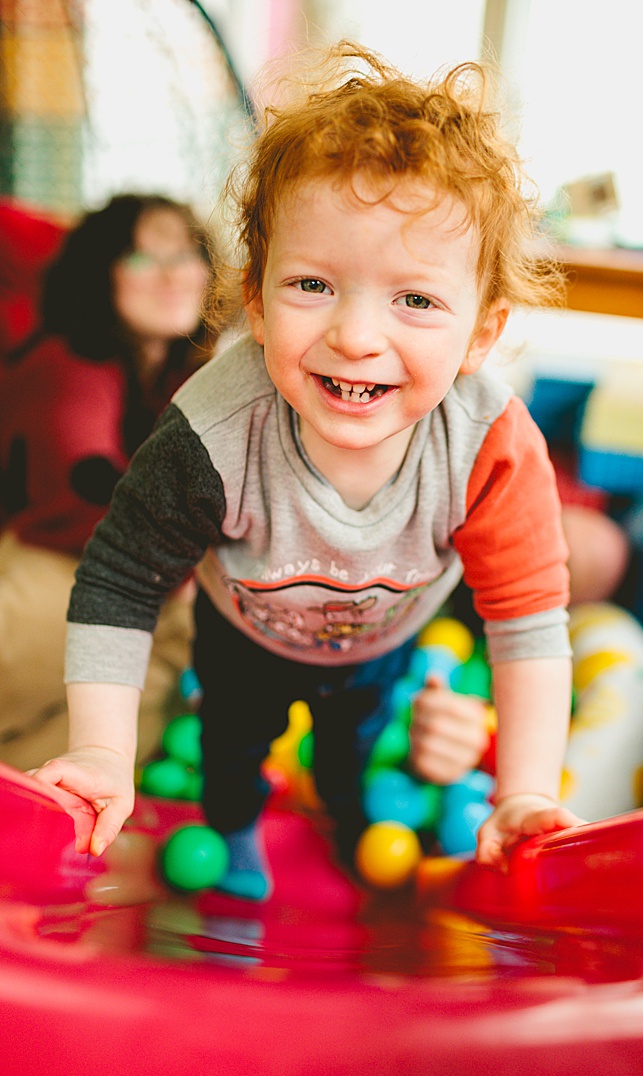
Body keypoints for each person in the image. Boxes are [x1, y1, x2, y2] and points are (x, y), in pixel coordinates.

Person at [31, 44, 579, 898]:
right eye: (313, 284)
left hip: (382, 643)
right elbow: (120, 580)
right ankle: (236, 824)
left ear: (482, 332)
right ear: (254, 298)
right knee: (232, 746)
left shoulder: (490, 444)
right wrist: (103, 749)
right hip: (243, 635)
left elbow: (529, 619)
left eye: (416, 299)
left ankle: (352, 812)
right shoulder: (212, 430)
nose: (357, 335)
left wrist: (527, 791)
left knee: (357, 747)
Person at [0, 195, 213, 772]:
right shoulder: (66, 364)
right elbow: (83, 493)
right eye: (144, 258)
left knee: (155, 683)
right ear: (103, 274)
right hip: (52, 563)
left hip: (148, 578)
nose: (172, 274)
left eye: (185, 253)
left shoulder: (185, 371)